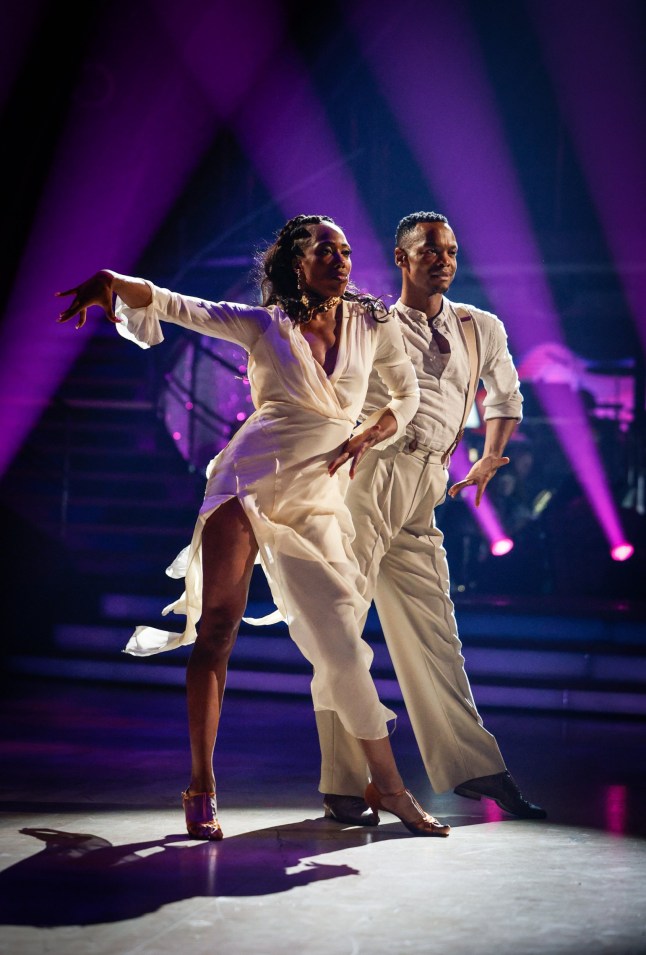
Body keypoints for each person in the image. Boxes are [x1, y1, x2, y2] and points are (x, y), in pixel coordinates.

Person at [56, 214, 451, 840]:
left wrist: (374, 430)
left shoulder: (373, 323)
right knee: (217, 630)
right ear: (298, 261)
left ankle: (388, 785)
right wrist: (112, 281)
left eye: (347, 250)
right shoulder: (264, 324)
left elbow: (404, 398)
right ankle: (202, 783)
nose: (342, 260)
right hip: (246, 482)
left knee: (343, 649)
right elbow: (175, 304)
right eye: (327, 250)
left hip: (318, 500)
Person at [316, 211, 547, 826]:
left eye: (450, 250)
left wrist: (492, 456)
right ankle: (341, 781)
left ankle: (472, 767)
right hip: (369, 476)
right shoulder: (373, 320)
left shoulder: (480, 326)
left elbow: (505, 395)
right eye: (429, 251)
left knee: (435, 628)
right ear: (402, 258)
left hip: (430, 483)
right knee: (341, 625)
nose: (443, 260)